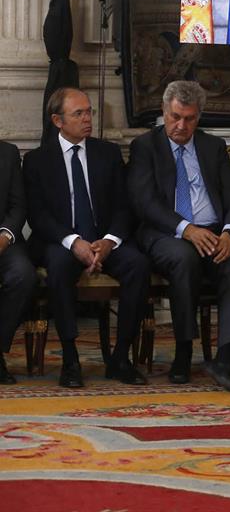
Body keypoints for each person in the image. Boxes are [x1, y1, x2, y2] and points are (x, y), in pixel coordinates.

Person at [127, 80, 230, 393]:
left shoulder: (213, 147)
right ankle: (183, 352)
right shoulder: (145, 147)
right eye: (175, 117)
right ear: (163, 111)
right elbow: (144, 203)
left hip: (213, 232)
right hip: (164, 232)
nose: (181, 125)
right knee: (184, 259)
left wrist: (228, 232)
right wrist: (187, 229)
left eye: (190, 119)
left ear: (199, 117)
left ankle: (225, 359)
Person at [22, 88, 151, 388]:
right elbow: (38, 216)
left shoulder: (107, 154)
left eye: (89, 111)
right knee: (58, 265)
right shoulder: (37, 160)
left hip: (103, 239)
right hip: (59, 241)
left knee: (138, 265)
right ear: (57, 120)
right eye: (78, 113)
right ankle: (70, 358)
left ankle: (120, 358)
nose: (87, 119)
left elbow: (124, 206)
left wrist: (108, 242)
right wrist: (73, 242)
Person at [0, 141, 34, 384]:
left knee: (23, 274)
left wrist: (4, 237)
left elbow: (18, 204)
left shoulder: (8, 153)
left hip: (4, 240)